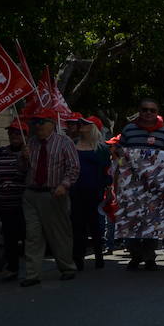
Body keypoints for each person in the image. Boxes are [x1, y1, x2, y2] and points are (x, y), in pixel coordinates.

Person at [19, 109, 80, 287]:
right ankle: (32, 274)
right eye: (35, 122)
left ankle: (67, 267)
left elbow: (73, 167)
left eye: (41, 122)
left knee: (59, 234)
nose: (37, 126)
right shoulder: (30, 143)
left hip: (54, 194)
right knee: (33, 235)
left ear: (52, 123)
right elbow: (21, 170)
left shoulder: (64, 142)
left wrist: (64, 185)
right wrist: (23, 158)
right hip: (31, 194)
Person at [119, 98, 164, 270]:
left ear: (157, 113)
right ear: (139, 111)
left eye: (152, 110)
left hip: (155, 185)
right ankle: (135, 255)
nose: (148, 113)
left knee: (152, 222)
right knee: (132, 221)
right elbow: (120, 153)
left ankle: (150, 257)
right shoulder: (129, 129)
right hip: (132, 184)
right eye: (145, 109)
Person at [0, 119, 29, 280]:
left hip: (24, 203)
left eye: (17, 133)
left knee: (27, 236)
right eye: (11, 133)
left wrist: (26, 159)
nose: (13, 136)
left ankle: (32, 269)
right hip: (4, 202)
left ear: (24, 136)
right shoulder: (0, 152)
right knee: (10, 238)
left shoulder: (29, 152)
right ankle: (12, 268)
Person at [70, 116, 111, 271]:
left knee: (95, 226)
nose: (81, 125)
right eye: (81, 123)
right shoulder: (72, 145)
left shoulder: (101, 149)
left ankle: (99, 255)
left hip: (95, 192)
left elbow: (107, 170)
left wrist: (108, 189)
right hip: (75, 191)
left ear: (93, 127)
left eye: (86, 123)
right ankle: (78, 258)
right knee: (77, 226)